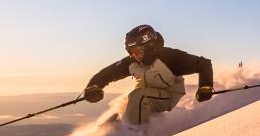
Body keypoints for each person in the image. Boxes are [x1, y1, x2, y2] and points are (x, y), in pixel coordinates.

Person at [81, 24, 214, 126]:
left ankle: (134, 135)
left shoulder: (170, 57)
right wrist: (93, 87)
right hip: (148, 96)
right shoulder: (132, 62)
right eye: (131, 52)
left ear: (148, 46)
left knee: (138, 96)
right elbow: (108, 73)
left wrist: (206, 87)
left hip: (168, 97)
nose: (134, 56)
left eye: (136, 51)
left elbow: (204, 64)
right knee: (124, 106)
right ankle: (118, 132)